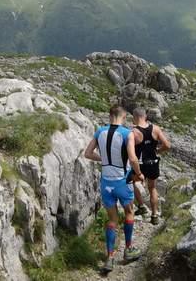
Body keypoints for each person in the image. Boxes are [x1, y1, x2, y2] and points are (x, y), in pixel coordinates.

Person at [84, 105, 144, 273]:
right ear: (124, 117)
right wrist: (138, 174)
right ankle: (129, 249)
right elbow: (132, 158)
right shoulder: (127, 133)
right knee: (129, 213)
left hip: (106, 183)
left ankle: (109, 257)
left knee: (112, 220)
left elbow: (87, 154)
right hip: (122, 182)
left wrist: (103, 159)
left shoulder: (100, 132)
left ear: (110, 116)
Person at [132, 107, 171, 225]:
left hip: (141, 164)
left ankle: (141, 205)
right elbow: (168, 145)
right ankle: (154, 215)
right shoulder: (156, 129)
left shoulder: (134, 132)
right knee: (152, 188)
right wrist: (157, 151)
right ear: (145, 116)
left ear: (134, 117)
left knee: (132, 182)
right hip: (154, 163)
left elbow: (130, 151)